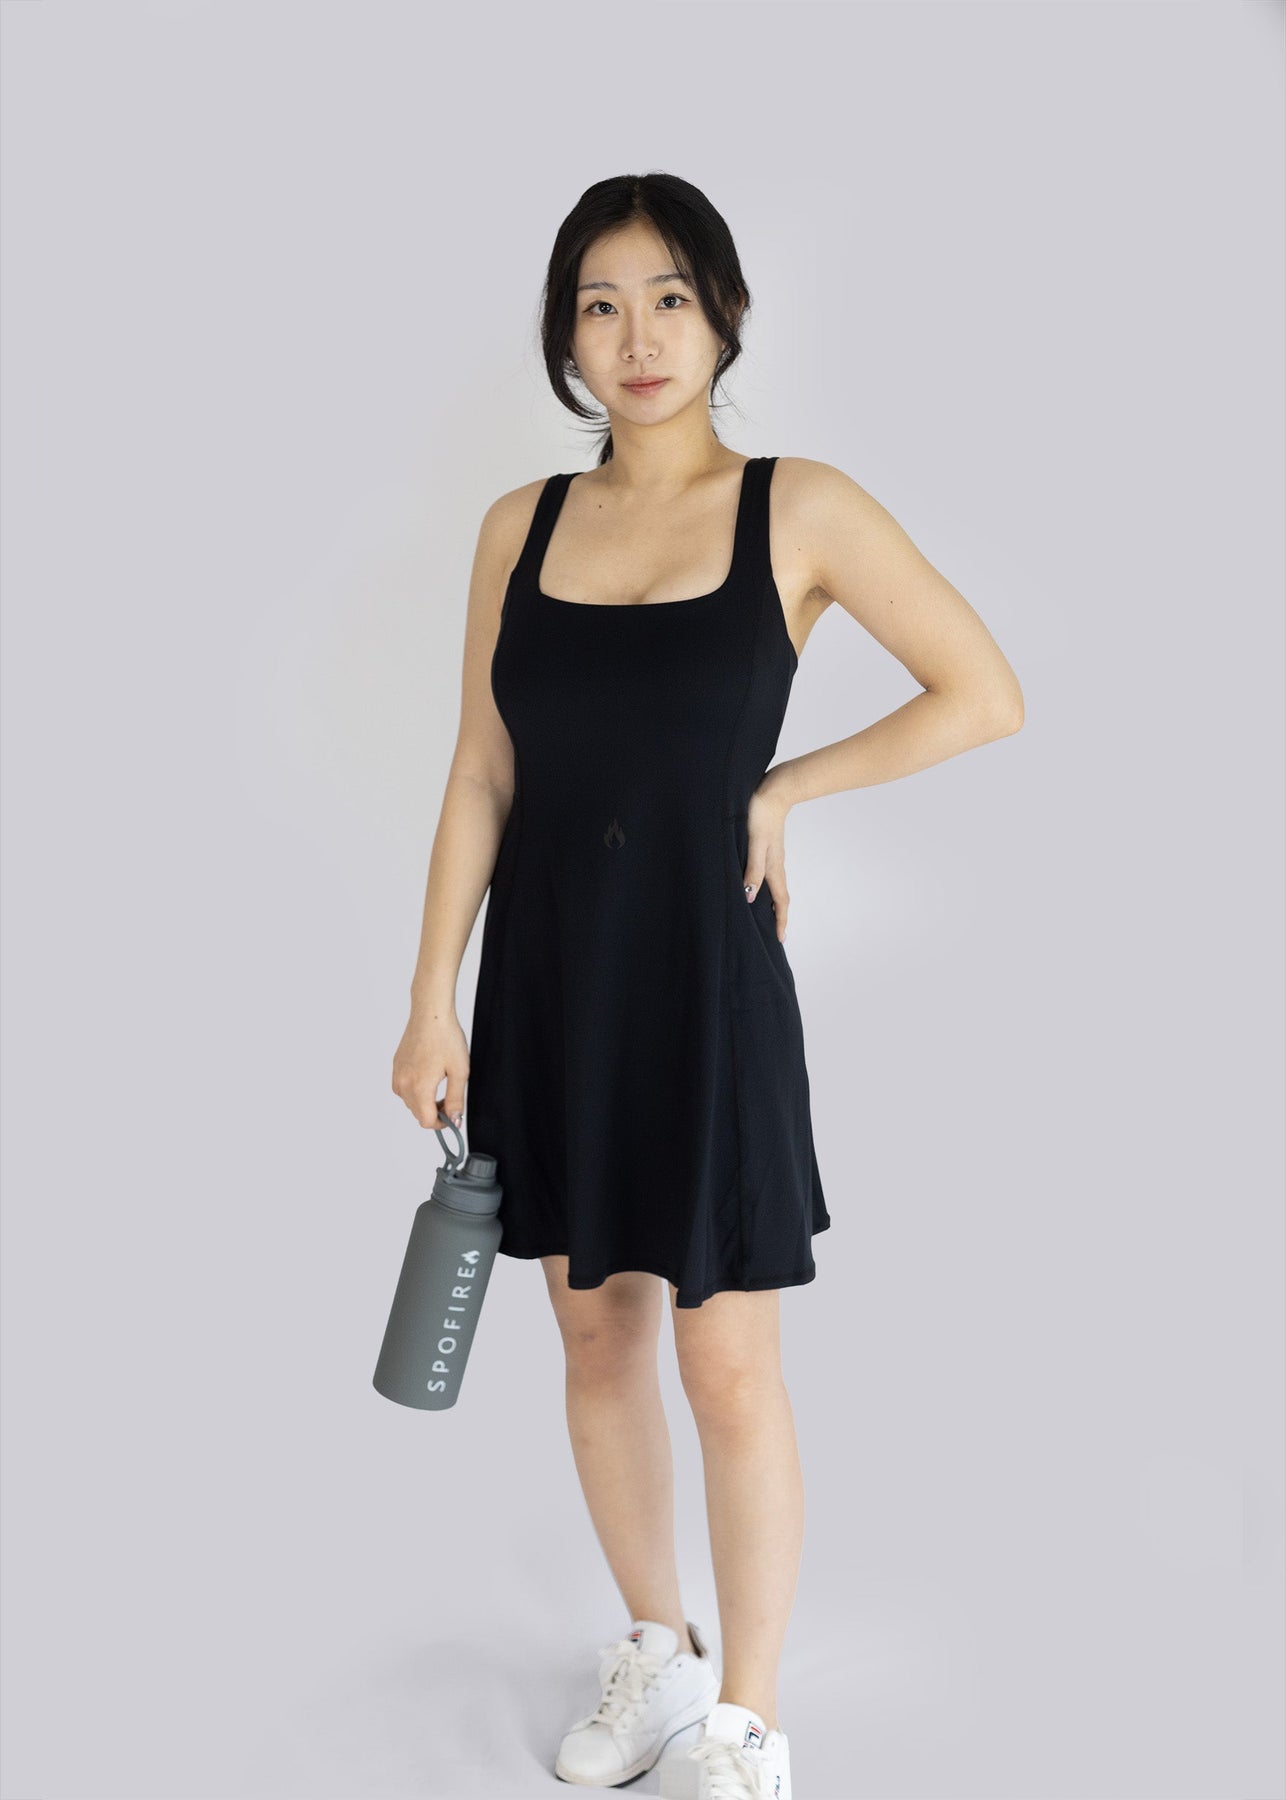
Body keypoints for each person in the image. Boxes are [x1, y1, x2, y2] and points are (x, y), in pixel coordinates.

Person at [392, 171, 1024, 1800]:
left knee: (725, 1361)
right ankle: (653, 1649)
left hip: (703, 980)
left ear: (723, 314)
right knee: (590, 1335)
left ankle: (745, 1715)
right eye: (599, 305)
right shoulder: (518, 525)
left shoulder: (794, 507)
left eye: (668, 297)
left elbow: (980, 690)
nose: (637, 336)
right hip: (547, 981)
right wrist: (430, 996)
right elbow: (481, 771)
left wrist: (784, 786)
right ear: (565, 338)